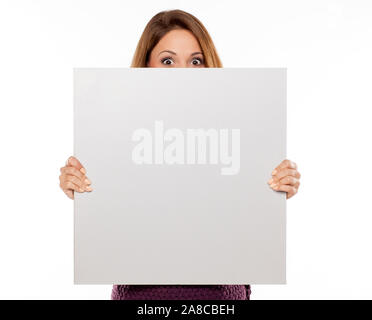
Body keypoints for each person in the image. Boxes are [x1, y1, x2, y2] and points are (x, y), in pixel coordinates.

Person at [59, 9, 301, 300]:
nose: (183, 72)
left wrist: (274, 190)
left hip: (219, 299)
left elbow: (246, 228)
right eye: (168, 61)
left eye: (195, 61)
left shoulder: (239, 135)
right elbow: (111, 220)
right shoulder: (115, 136)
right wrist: (82, 190)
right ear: (146, 67)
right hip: (142, 299)